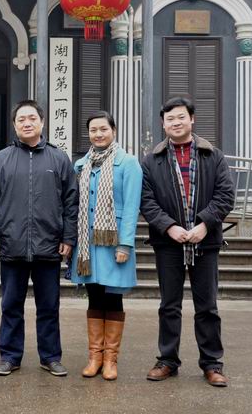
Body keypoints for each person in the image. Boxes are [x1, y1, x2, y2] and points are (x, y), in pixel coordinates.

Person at [141, 96, 234, 387]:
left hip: (205, 242)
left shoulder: (213, 156)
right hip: (168, 244)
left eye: (181, 117)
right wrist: (168, 227)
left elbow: (225, 195)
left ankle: (212, 363)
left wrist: (205, 224)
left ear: (192, 119)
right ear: (163, 124)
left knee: (207, 307)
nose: (176, 122)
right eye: (170, 118)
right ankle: (167, 360)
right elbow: (147, 200)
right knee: (169, 305)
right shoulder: (152, 160)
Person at [0, 100, 78, 377]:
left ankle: (51, 356)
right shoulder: (1, 159)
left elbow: (71, 202)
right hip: (12, 244)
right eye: (21, 119)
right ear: (14, 125)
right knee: (11, 305)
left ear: (42, 122)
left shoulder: (59, 159)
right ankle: (10, 356)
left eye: (32, 118)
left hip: (49, 245)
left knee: (49, 306)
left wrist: (68, 237)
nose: (27, 123)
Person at [69, 111, 142, 381]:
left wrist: (125, 244)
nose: (98, 134)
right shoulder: (81, 164)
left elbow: (132, 207)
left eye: (103, 129)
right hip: (87, 243)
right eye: (93, 130)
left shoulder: (128, 163)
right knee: (94, 296)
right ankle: (94, 357)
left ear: (114, 130)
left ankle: (110, 360)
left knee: (113, 297)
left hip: (113, 241)